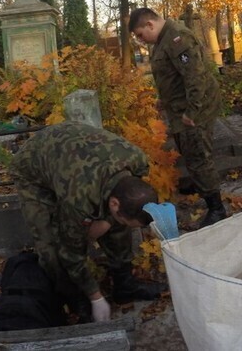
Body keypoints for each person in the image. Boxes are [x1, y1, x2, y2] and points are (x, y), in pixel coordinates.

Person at [9, 121, 165, 323]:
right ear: (114, 203)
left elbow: (121, 202)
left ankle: (125, 287)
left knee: (119, 225)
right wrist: (95, 297)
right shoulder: (79, 199)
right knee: (51, 247)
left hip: (71, 159)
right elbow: (70, 252)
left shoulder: (138, 161)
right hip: (34, 170)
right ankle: (75, 298)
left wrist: (107, 221)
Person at [128, 7, 227, 227]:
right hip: (180, 108)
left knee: (199, 155)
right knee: (189, 150)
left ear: (150, 24)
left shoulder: (177, 39)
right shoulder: (162, 40)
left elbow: (195, 77)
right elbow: (172, 75)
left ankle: (217, 208)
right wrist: (164, 100)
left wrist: (192, 111)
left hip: (195, 109)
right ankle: (199, 183)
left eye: (141, 35)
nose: (141, 40)